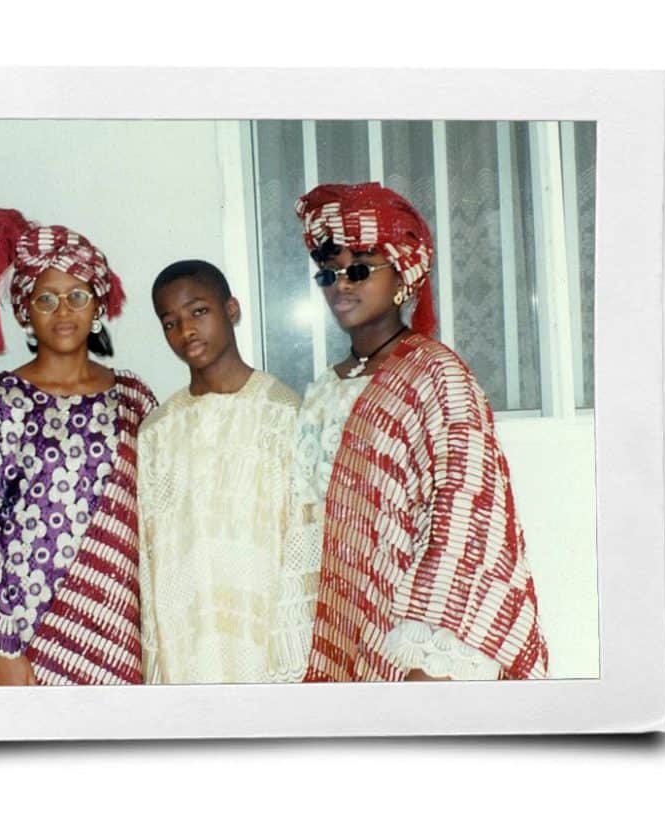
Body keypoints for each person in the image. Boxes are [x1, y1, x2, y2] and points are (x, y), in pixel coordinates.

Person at [292, 182, 549, 682]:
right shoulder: (323, 390)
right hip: (343, 628)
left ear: (404, 276)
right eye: (328, 273)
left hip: (415, 645)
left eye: (359, 269)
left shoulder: (437, 375)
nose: (340, 286)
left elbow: (467, 518)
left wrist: (428, 657)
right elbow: (307, 524)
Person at [0, 207, 157, 685]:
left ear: (97, 307)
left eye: (77, 296)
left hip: (118, 626)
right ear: (25, 312)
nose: (63, 311)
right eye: (46, 299)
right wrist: (1, 646)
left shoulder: (133, 398)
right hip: (27, 635)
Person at [136, 260, 312, 684]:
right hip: (185, 642)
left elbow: (302, 546)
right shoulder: (158, 431)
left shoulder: (283, 414)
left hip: (264, 637)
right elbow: (149, 553)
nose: (186, 330)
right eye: (170, 323)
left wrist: (292, 658)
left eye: (199, 311)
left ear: (232, 310)